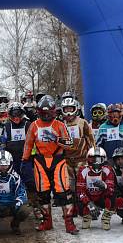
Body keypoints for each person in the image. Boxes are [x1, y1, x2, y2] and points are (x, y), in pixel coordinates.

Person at [21, 95, 76, 233]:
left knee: (64, 191)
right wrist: (25, 159)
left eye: (48, 112)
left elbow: (69, 144)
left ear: (53, 111)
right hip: (40, 160)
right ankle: (47, 222)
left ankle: (69, 223)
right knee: (42, 193)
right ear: (39, 112)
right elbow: (28, 144)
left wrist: (57, 139)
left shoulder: (60, 125)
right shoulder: (34, 125)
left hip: (58, 160)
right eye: (43, 113)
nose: (46, 115)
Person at [0, 150, 32, 235]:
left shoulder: (15, 177)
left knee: (25, 210)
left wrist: (16, 203)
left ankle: (15, 225)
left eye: (6, 165)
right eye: (1, 165)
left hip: (11, 206)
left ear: (10, 164)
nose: (3, 167)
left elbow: (22, 193)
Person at [61, 97, 95, 200]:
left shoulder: (82, 122)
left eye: (70, 109)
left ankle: (85, 203)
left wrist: (93, 153)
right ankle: (73, 205)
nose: (68, 112)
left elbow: (90, 138)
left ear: (75, 109)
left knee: (83, 182)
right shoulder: (61, 124)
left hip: (81, 158)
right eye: (66, 109)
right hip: (67, 160)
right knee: (70, 184)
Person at [75, 147, 117, 231]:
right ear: (88, 159)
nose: (96, 162)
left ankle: (106, 218)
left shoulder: (108, 170)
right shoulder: (83, 170)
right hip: (89, 197)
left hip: (101, 197)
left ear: (104, 160)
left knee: (113, 196)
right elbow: (80, 191)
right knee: (78, 200)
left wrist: (105, 186)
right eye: (93, 159)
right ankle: (87, 216)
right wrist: (89, 203)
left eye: (99, 159)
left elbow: (112, 189)